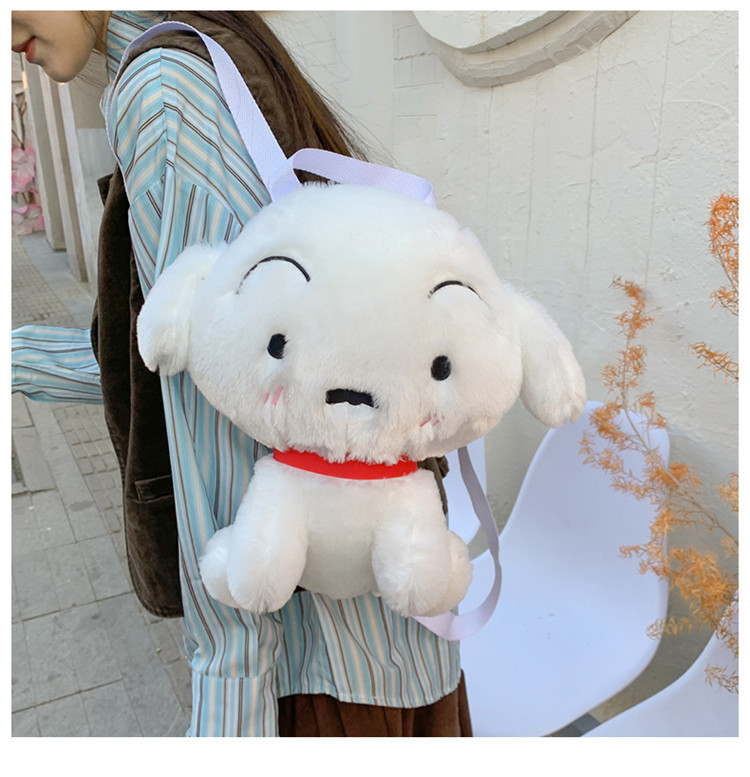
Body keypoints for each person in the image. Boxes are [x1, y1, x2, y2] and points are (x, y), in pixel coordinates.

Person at [11, 11, 472, 736]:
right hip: (374, 635)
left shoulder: (161, 92)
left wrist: (229, 702)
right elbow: (157, 362)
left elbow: (224, 408)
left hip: (319, 661)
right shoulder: (212, 49)